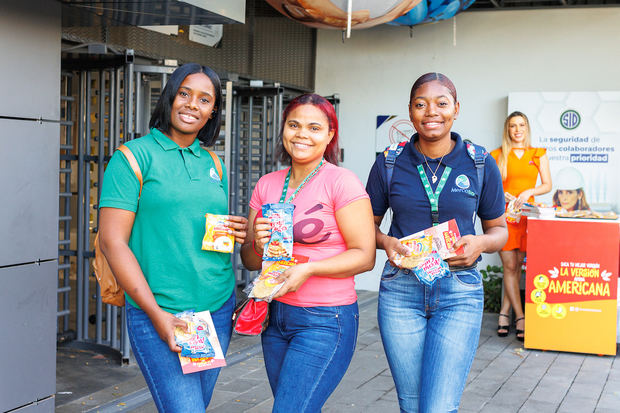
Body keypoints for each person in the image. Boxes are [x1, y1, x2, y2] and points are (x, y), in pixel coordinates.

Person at [98, 63, 248, 412]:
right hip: (161, 310)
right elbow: (112, 242)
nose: (192, 105)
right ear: (169, 97)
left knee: (195, 405)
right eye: (184, 93)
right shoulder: (132, 157)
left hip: (216, 310)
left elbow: (203, 232)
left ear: (213, 112)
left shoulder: (214, 162)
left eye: (204, 99)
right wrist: (155, 313)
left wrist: (235, 232)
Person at [365, 72, 508, 413]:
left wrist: (480, 244)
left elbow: (499, 230)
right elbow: (365, 228)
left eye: (442, 104)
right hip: (401, 291)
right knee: (411, 405)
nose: (432, 112)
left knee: (439, 407)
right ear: (410, 112)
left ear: (456, 109)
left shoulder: (479, 163)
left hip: (459, 291)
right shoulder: (389, 162)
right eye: (421, 104)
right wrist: (386, 242)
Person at [240, 93, 375, 412]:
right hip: (275, 317)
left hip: (326, 319)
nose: (302, 134)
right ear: (283, 129)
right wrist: (258, 246)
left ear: (330, 135)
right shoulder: (267, 185)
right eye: (294, 125)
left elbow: (365, 256)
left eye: (314, 127)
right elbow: (248, 260)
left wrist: (309, 269)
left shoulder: (342, 182)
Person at [490, 111, 552, 340]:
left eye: (521, 125)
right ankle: (520, 316)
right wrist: (502, 196)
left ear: (527, 129)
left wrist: (529, 191)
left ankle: (503, 313)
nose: (517, 130)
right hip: (504, 218)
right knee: (509, 267)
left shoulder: (538, 154)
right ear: (507, 129)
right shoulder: (496, 155)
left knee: (516, 268)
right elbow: (489, 187)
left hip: (527, 218)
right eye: (513, 126)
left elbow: (547, 185)